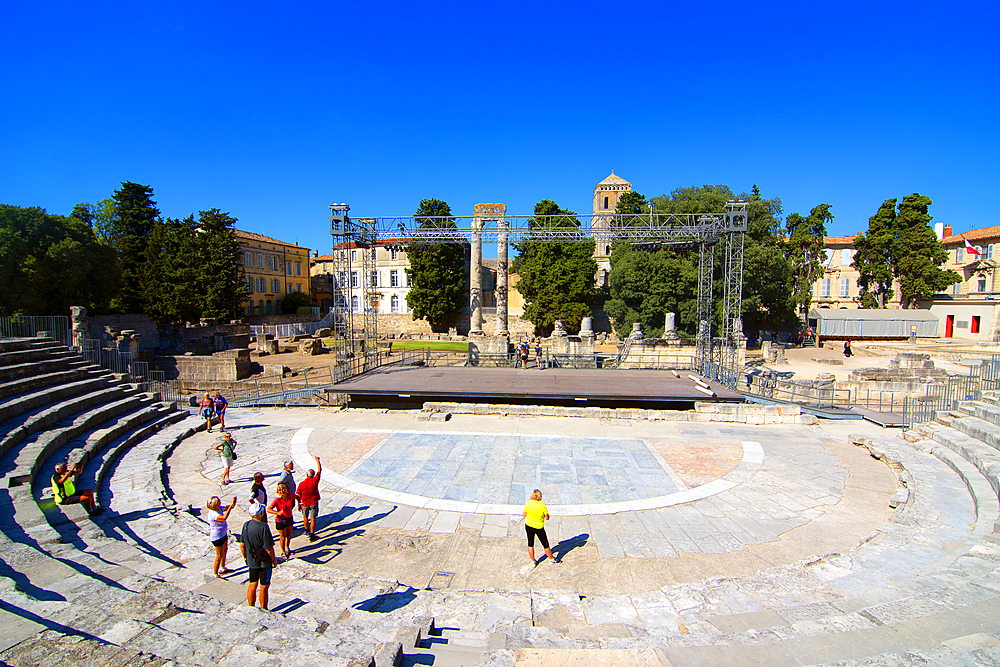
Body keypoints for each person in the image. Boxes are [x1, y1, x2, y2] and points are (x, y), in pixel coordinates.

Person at [239, 502, 277, 609]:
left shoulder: (246, 525)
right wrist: (274, 560)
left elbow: (242, 545)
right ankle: (264, 609)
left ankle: (250, 607)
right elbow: (268, 548)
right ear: (261, 513)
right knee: (264, 586)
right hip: (264, 562)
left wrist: (245, 557)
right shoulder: (263, 527)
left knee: (252, 584)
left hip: (252, 560)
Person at [523, 489, 557, 566]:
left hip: (529, 525)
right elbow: (547, 518)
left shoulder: (528, 504)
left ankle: (533, 561)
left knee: (530, 544)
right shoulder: (542, 506)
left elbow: (524, 514)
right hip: (539, 527)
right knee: (545, 544)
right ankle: (551, 559)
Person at [207, 495, 237, 578]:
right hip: (217, 536)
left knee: (225, 550)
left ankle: (222, 568)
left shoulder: (219, 508)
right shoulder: (212, 514)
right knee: (219, 555)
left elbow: (228, 508)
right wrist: (230, 506)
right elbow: (223, 517)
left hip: (223, 533)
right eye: (218, 502)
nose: (220, 503)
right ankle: (215, 574)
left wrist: (232, 503)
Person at [267, 483, 297, 560]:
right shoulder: (277, 499)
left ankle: (287, 549)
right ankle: (283, 551)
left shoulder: (290, 495)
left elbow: (297, 497)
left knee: (289, 535)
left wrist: (299, 504)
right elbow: (269, 509)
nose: (281, 491)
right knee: (282, 537)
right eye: (279, 490)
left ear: (286, 489)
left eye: (282, 489)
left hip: (289, 518)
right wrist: (277, 512)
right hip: (280, 520)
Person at [296, 456, 322, 541]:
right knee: (313, 518)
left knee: (305, 516)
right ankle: (312, 535)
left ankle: (306, 530)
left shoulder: (301, 484)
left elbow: (298, 495)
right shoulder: (315, 481)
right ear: (313, 475)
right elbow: (319, 470)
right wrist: (318, 461)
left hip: (304, 503)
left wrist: (298, 504)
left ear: (306, 475)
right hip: (313, 502)